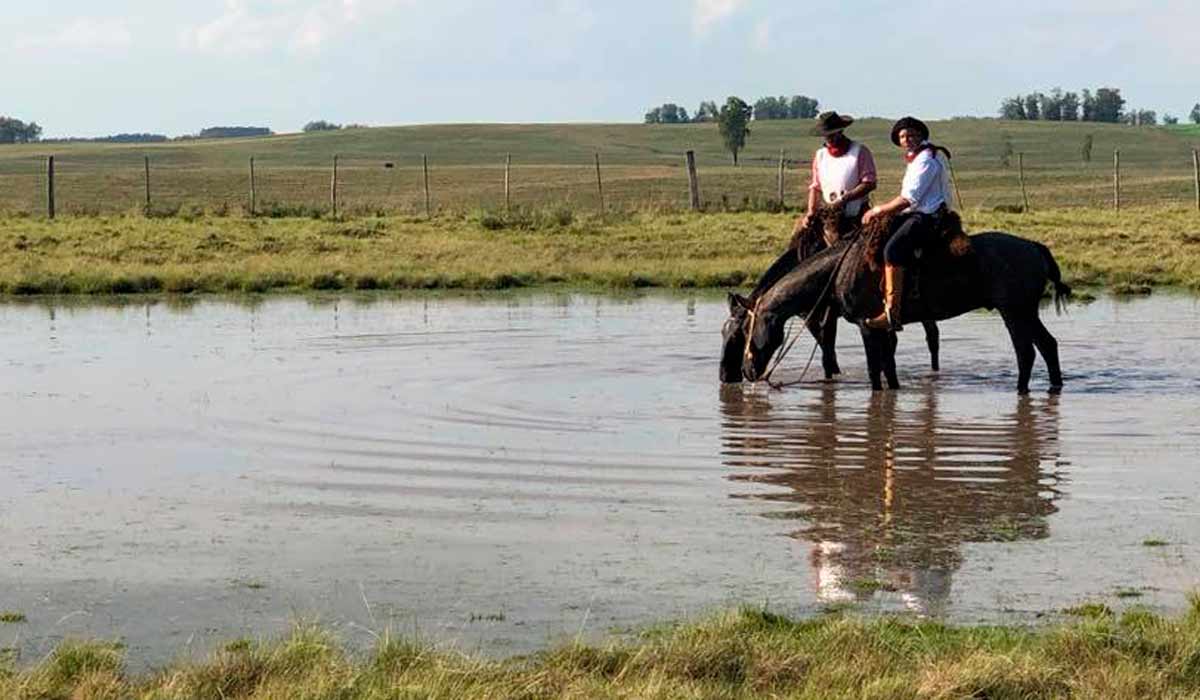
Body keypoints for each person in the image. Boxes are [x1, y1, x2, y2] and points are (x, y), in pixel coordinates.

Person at [862, 116, 954, 331]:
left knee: (893, 250)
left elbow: (908, 199)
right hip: (916, 213)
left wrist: (877, 210)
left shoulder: (926, 160)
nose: (907, 139)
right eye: (903, 136)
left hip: (929, 216)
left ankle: (892, 313)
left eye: (911, 134)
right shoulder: (917, 157)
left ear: (921, 135)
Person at [797, 111, 877, 245]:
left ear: (841, 131)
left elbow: (869, 183)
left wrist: (845, 198)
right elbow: (815, 187)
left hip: (856, 216)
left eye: (832, 134)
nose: (829, 138)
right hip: (829, 217)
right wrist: (811, 211)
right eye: (826, 135)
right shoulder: (820, 156)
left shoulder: (859, 151)